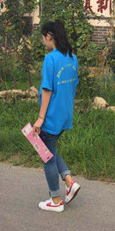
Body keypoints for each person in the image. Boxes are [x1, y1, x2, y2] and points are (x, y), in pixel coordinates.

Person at [34, 20, 81, 213]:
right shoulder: (72, 57)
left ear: (49, 36)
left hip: (51, 115)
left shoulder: (51, 59)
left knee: (47, 156)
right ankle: (69, 181)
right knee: (49, 149)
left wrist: (41, 118)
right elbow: (73, 85)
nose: (43, 40)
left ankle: (55, 199)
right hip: (65, 114)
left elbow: (47, 89)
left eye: (43, 37)